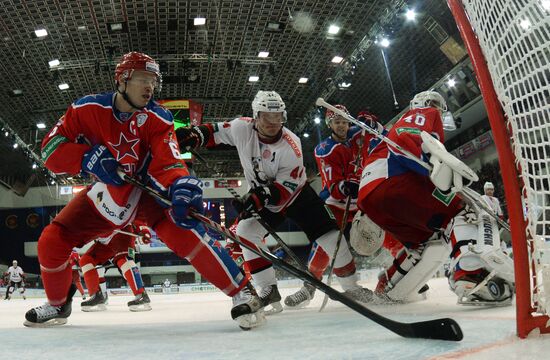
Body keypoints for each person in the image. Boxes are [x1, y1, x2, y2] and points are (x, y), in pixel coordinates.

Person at [24, 51, 264, 330]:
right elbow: (50, 149)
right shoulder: (85, 109)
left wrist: (181, 185)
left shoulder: (159, 117)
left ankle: (244, 293)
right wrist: (83, 156)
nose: (149, 86)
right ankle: (57, 304)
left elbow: (169, 162)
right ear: (122, 80)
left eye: (153, 80)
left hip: (148, 193)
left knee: (185, 232)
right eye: (141, 78)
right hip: (109, 192)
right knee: (52, 239)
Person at [177, 90, 375, 313]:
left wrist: (256, 198)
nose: (273, 122)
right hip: (264, 198)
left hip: (298, 196)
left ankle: (351, 287)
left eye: (278, 116)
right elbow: (214, 132)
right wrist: (194, 135)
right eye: (267, 117)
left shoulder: (291, 144)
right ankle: (268, 289)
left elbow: (284, 190)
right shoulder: (241, 128)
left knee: (332, 237)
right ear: (256, 116)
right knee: (245, 231)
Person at [356, 90, 514, 305]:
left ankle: (388, 288)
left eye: (438, 106)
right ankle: (470, 273)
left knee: (429, 244)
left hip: (372, 199)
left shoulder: (407, 129)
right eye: (434, 104)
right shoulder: (424, 112)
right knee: (469, 208)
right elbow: (404, 136)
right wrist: (433, 168)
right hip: (394, 182)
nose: (437, 109)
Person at [283, 105, 374, 308]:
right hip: (336, 203)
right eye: (337, 122)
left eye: (344, 122)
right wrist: (345, 186)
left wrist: (369, 120)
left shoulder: (357, 134)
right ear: (329, 124)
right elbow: (335, 187)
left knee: (382, 224)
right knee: (326, 242)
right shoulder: (325, 149)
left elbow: (373, 130)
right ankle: (308, 288)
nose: (341, 126)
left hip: (360, 201)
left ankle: (401, 268)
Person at [80, 223, 151, 312]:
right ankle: (97, 296)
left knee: (123, 260)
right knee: (86, 260)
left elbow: (133, 212)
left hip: (122, 231)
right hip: (104, 241)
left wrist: (144, 231)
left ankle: (141, 295)